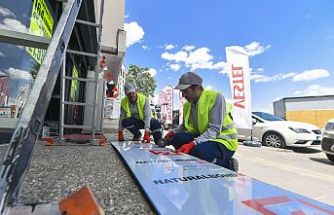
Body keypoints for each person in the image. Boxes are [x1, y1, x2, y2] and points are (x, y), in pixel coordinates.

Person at [162, 72, 239, 171]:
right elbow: (184, 126)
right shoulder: (188, 105)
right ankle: (193, 163)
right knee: (176, 139)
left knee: (198, 152)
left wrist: (192, 144)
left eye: (185, 91)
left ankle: (228, 164)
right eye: (182, 91)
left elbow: (214, 130)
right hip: (205, 138)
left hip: (223, 141)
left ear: (197, 88)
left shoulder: (215, 98)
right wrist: (173, 132)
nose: (183, 95)